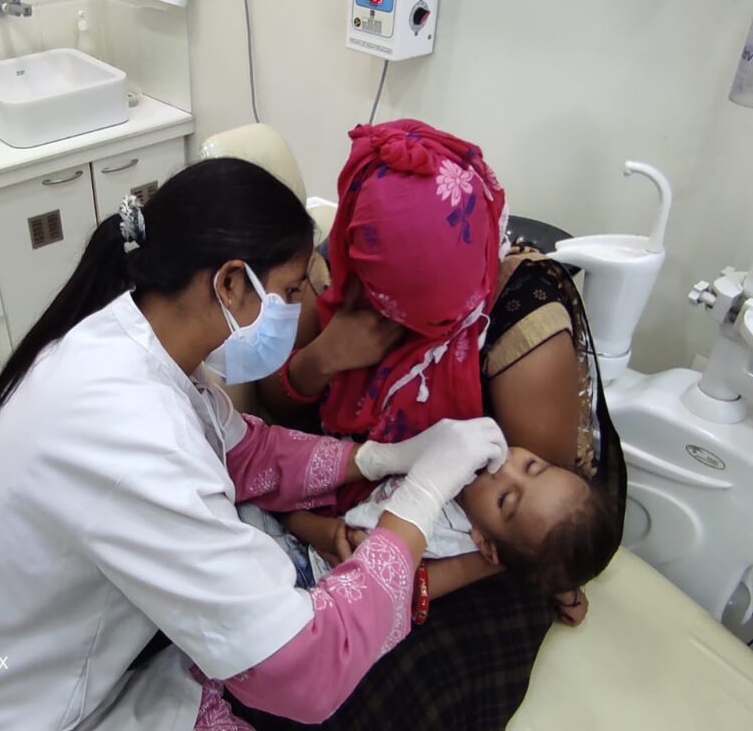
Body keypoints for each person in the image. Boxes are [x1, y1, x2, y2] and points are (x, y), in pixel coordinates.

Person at [0, 157, 512, 731]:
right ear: (230, 283)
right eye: (292, 290)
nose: (303, 307)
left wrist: (384, 457)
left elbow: (246, 452)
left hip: (14, 647)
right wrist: (423, 494)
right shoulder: (130, 433)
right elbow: (305, 667)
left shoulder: (131, 340)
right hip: (27, 707)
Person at [240, 120, 626, 730]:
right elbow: (279, 405)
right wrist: (325, 358)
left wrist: (435, 565)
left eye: (432, 322)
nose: (409, 334)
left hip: (477, 548)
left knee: (399, 688)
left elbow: (533, 525)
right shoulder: (338, 277)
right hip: (353, 507)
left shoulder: (518, 325)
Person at [300, 447, 619, 599]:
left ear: (485, 545)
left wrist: (289, 517)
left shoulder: (438, 528)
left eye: (504, 498)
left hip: (307, 569)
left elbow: (340, 538)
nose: (504, 468)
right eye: (532, 464)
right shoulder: (479, 459)